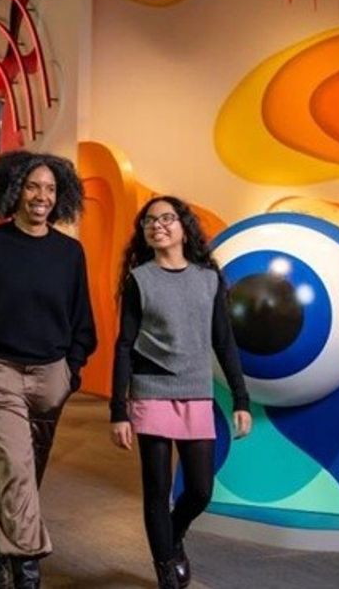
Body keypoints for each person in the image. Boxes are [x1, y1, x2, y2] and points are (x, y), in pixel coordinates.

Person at [0, 150, 96, 589]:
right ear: (14, 189)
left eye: (50, 189)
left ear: (61, 196)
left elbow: (82, 321)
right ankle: (26, 569)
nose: (41, 196)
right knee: (15, 468)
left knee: (25, 476)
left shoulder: (70, 253)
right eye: (33, 186)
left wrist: (71, 369)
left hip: (51, 376)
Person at [110, 196, 252, 589]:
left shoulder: (208, 279)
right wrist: (118, 410)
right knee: (156, 488)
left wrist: (241, 399)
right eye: (149, 221)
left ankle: (173, 536)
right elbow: (124, 345)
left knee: (201, 490)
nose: (158, 225)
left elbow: (224, 343)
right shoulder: (139, 280)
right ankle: (165, 570)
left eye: (166, 218)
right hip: (151, 390)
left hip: (195, 392)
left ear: (184, 227)